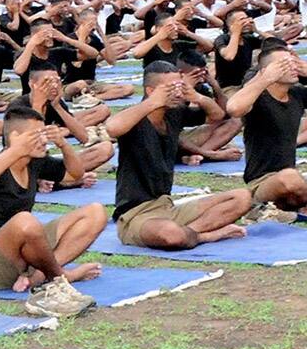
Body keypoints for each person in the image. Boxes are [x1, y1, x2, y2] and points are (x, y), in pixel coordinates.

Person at [0, 107, 105, 317]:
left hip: (24, 252)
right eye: (36, 136)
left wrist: (63, 144)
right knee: (25, 221)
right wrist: (15, 151)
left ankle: (38, 278)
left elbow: (76, 173)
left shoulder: (35, 163)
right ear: (15, 137)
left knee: (96, 212)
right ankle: (58, 281)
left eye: (44, 134)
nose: (43, 141)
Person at [106, 62, 252, 249]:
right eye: (170, 88)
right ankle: (204, 235)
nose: (177, 93)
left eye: (179, 86)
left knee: (242, 197)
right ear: (151, 91)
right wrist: (152, 102)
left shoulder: (174, 113)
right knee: (171, 234)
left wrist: (196, 96)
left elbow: (217, 115)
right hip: (136, 215)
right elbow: (112, 127)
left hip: (167, 207)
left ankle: (190, 232)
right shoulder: (136, 118)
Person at [226, 46, 307, 212]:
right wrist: (264, 79)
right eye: (284, 64)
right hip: (261, 182)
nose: (292, 67)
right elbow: (233, 108)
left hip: (291, 177)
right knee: (290, 178)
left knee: (292, 179)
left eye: (293, 62)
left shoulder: (296, 94)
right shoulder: (259, 97)